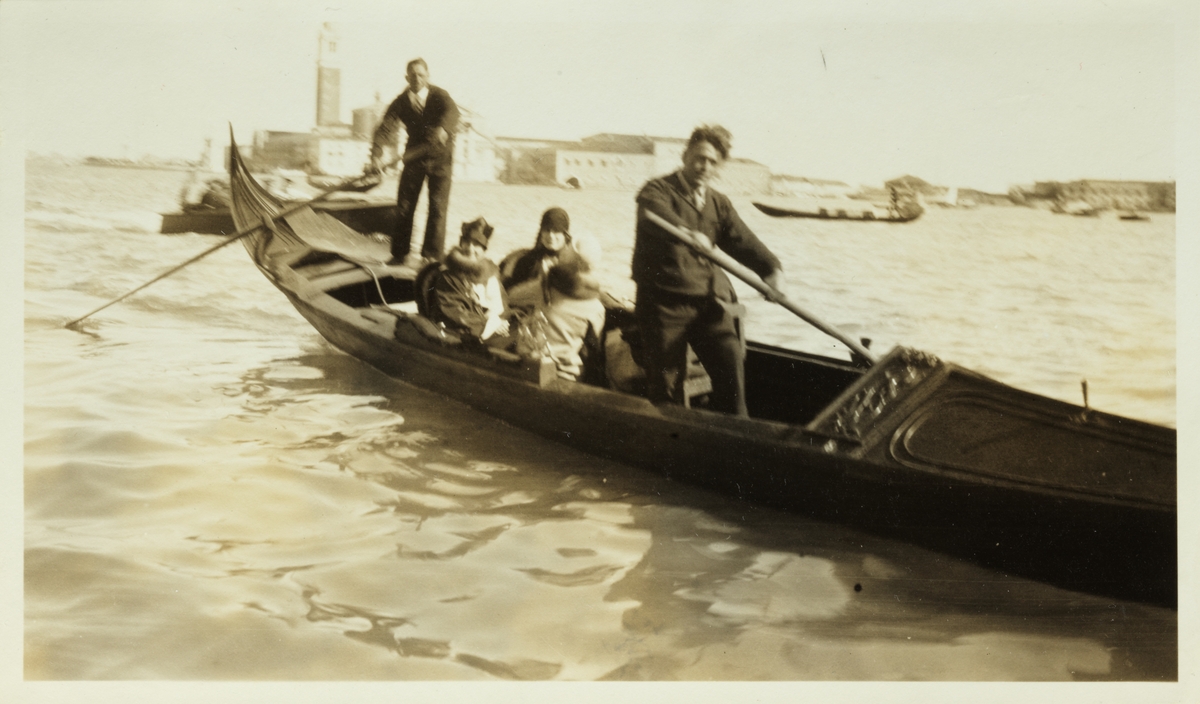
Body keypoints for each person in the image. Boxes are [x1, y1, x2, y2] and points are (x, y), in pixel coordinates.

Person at [631, 125, 785, 416]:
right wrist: (687, 232)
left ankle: (737, 438)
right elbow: (654, 213)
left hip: (705, 303)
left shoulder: (718, 203)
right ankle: (670, 446)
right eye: (699, 157)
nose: (704, 166)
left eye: (712, 162)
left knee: (731, 365)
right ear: (685, 154)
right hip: (663, 306)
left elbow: (743, 240)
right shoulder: (656, 190)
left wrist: (772, 269)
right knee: (667, 390)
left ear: (720, 166)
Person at [368, 58, 460, 267]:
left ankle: (431, 257)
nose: (417, 79)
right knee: (405, 206)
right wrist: (375, 155)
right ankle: (399, 254)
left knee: (437, 208)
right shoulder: (401, 101)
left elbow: (452, 112)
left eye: (421, 75)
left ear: (428, 77)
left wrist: (443, 129)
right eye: (413, 75)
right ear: (406, 77)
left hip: (441, 159)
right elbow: (384, 128)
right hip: (414, 158)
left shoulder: (439, 95)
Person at [514, 247, 608, 382]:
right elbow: (593, 346)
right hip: (568, 374)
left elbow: (512, 297)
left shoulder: (545, 287)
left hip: (531, 366)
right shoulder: (596, 306)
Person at [427, 218, 512, 345]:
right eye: (467, 242)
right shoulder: (448, 277)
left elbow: (503, 306)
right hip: (461, 334)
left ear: (484, 249)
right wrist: (492, 324)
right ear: (461, 244)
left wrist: (502, 321)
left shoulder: (490, 275)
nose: (471, 249)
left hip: (489, 330)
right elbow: (456, 313)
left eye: (477, 245)